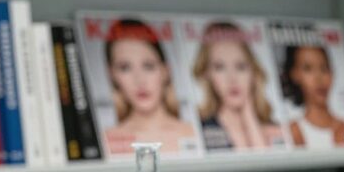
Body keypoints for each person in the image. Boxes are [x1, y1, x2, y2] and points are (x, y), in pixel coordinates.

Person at [105, 18, 196, 155]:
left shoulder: (192, 133)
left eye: (148, 66)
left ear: (165, 71)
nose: (139, 80)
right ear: (112, 75)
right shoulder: (105, 140)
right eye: (125, 68)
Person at [192, 21, 281, 151]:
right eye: (219, 67)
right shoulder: (199, 130)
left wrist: (249, 115)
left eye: (240, 66)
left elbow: (269, 161)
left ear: (253, 71)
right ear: (207, 74)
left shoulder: (275, 129)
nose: (232, 79)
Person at [281, 45, 344, 148]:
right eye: (308, 68)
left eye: (324, 68)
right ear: (294, 75)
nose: (318, 78)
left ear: (331, 73)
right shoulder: (293, 131)